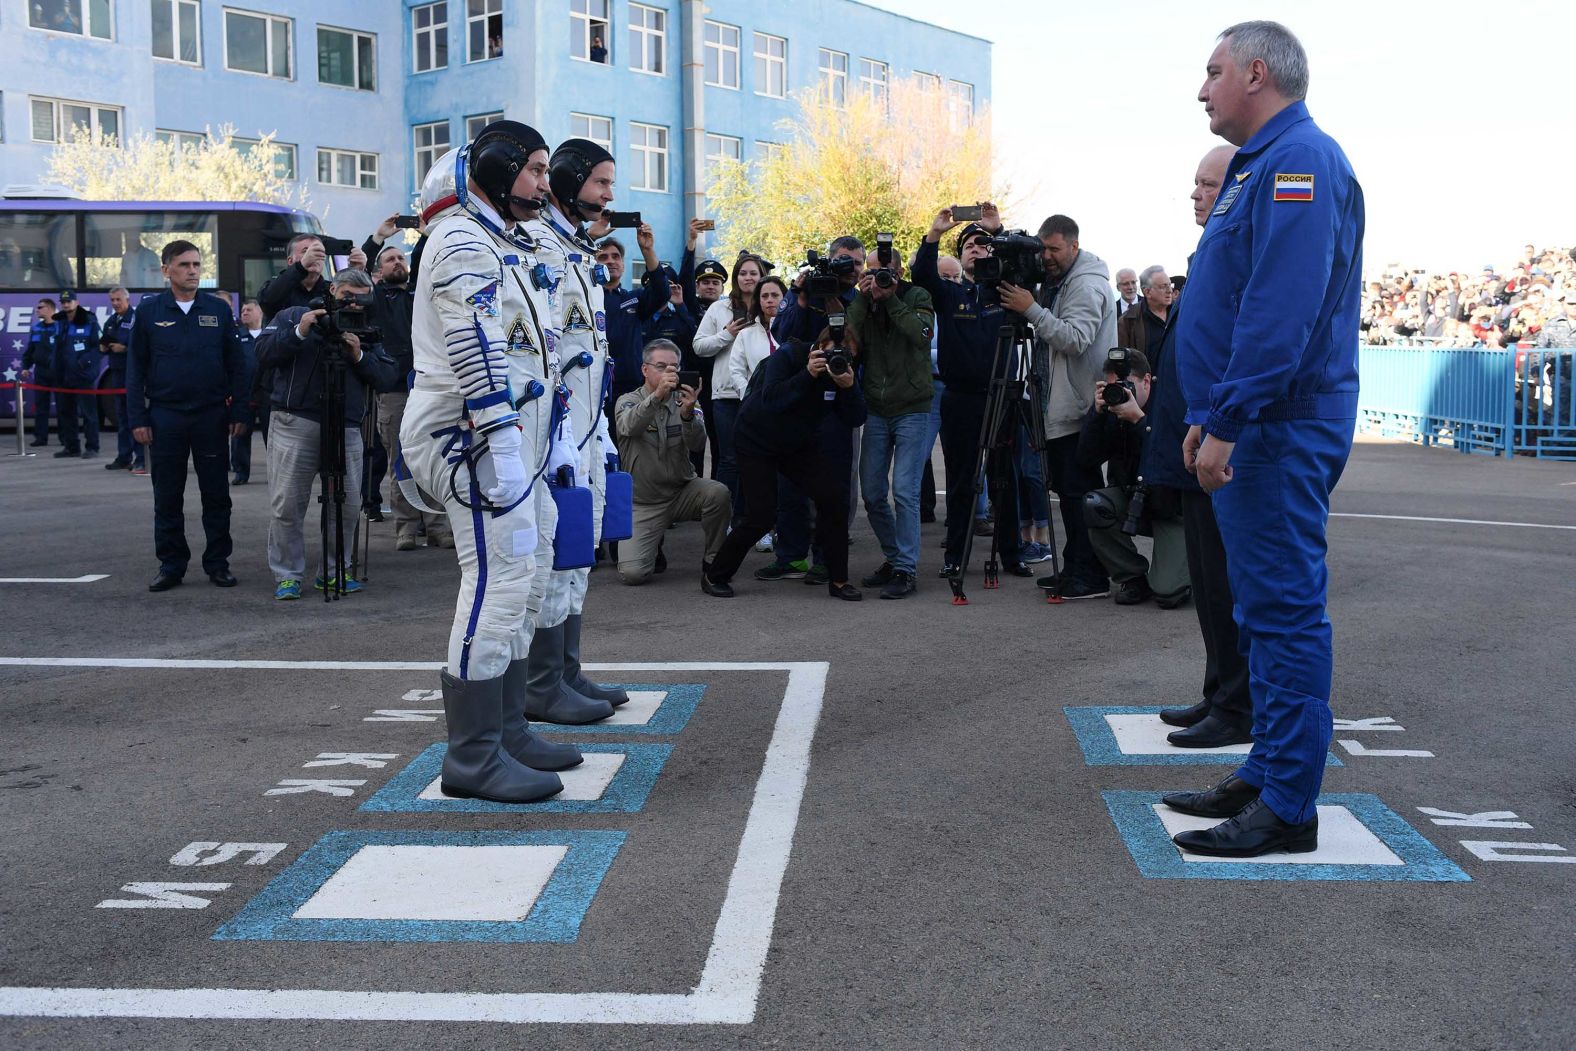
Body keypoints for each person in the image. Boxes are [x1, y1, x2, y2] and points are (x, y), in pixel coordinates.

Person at [1165, 21, 1365, 858]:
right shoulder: (1263, 164)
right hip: (1253, 424)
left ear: (1257, 72)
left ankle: (1288, 804)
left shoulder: (1299, 163)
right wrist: (1209, 414)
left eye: (1213, 72)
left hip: (1276, 429)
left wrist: (1231, 419)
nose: (1202, 88)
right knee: (1261, 608)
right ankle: (1269, 766)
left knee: (1282, 613)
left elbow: (1280, 312)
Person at [401, 124, 588, 805]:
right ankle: (473, 754)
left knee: (529, 573)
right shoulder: (459, 240)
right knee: (497, 581)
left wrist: (556, 434)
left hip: (514, 436)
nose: (545, 183)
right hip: (472, 436)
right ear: (499, 167)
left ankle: (507, 728)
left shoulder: (498, 241)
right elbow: (474, 345)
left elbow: (538, 351)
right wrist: (503, 441)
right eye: (535, 169)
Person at [1145, 142, 1254, 751]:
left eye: (1208, 185)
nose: (1197, 194)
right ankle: (1220, 692)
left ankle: (1237, 706)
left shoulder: (1235, 253)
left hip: (1216, 443)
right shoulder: (1207, 253)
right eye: (1196, 184)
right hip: (1189, 443)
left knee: (1226, 582)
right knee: (1209, 584)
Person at [522, 136, 630, 721]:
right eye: (600, 182)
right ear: (568, 182)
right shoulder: (539, 244)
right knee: (551, 554)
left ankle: (566, 670)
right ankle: (542, 683)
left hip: (585, 427)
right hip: (553, 431)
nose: (609, 194)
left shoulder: (577, 249)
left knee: (581, 547)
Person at [255, 268, 401, 600]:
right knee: (287, 503)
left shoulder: (365, 327)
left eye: (361, 299)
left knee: (348, 504)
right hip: (295, 420)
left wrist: (359, 355)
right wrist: (300, 331)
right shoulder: (294, 314)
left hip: (347, 425)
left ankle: (336, 571)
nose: (353, 304)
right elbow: (262, 353)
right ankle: (288, 575)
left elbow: (387, 376)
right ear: (333, 289)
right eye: (347, 295)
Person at [997, 214, 1118, 600]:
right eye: (1043, 248)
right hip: (1060, 403)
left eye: (1054, 249)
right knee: (1067, 493)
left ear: (1074, 246)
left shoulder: (1085, 284)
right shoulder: (1060, 279)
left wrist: (1031, 308)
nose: (1046, 257)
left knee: (1079, 492)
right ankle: (1074, 569)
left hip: (1079, 406)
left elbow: (1076, 338)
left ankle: (1091, 576)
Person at [911, 207, 1033, 580]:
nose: (978, 249)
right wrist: (934, 233)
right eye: (970, 245)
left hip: (1002, 397)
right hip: (961, 398)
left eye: (985, 244)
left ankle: (1012, 555)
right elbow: (921, 275)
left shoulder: (1008, 291)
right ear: (961, 256)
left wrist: (999, 230)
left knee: (1004, 479)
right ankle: (955, 554)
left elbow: (1028, 265)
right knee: (963, 479)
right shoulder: (950, 294)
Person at [124, 241, 252, 592]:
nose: (192, 270)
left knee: (216, 495)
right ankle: (171, 565)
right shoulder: (150, 312)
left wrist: (239, 409)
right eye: (183, 265)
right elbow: (134, 370)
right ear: (166, 270)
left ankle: (217, 563)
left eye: (196, 264)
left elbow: (237, 366)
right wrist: (138, 418)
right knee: (167, 496)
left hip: (211, 416)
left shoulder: (218, 310)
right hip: (165, 417)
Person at [701, 330, 868, 599]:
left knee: (835, 498)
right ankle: (714, 574)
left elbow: (856, 417)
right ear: (819, 344)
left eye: (846, 354)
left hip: (797, 443)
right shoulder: (789, 355)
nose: (836, 358)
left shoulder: (842, 372)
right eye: (831, 351)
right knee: (761, 516)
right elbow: (773, 399)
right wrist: (808, 374)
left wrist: (849, 388)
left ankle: (838, 580)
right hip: (756, 439)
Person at [847, 248, 935, 599]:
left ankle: (906, 569)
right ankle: (895, 557)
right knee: (871, 492)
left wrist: (892, 299)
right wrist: (862, 298)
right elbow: (849, 341)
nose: (881, 277)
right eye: (874, 272)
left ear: (900, 272)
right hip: (876, 408)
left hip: (913, 407)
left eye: (887, 272)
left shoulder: (918, 295)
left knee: (905, 492)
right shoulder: (864, 301)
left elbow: (921, 334)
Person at [1076, 349, 1188, 607]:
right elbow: (1085, 459)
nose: (1120, 393)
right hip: (1133, 502)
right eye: (1113, 387)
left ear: (1147, 381)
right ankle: (1132, 577)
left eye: (1128, 386)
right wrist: (1096, 413)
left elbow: (1176, 460)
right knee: (1096, 503)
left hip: (1172, 508)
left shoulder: (1172, 405)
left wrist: (1139, 420)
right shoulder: (1113, 412)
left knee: (1169, 594)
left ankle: (1187, 569)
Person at [613, 339, 731, 584]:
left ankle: (713, 559)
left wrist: (688, 415)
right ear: (645, 369)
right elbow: (629, 426)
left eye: (674, 367)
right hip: (644, 502)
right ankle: (653, 544)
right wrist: (657, 396)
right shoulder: (628, 400)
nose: (669, 372)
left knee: (718, 493)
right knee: (633, 575)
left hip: (681, 492)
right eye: (661, 366)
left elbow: (698, 445)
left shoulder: (685, 400)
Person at [368, 241, 452, 551]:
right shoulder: (377, 299)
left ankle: (437, 527)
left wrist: (426, 232)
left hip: (428, 386)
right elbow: (358, 280)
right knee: (399, 461)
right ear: (379, 270)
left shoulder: (419, 295)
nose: (396, 263)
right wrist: (376, 239)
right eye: (389, 260)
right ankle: (405, 527)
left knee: (433, 458)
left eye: (400, 257)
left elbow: (424, 258)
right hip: (394, 391)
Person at [694, 253, 765, 513]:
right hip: (725, 395)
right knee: (730, 460)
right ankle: (725, 518)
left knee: (759, 459)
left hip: (760, 394)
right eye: (743, 273)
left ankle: (757, 519)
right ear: (736, 278)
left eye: (753, 273)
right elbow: (699, 346)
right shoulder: (719, 308)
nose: (748, 278)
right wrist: (727, 334)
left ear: (761, 277)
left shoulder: (768, 306)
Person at [592, 228, 670, 424]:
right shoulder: (585, 300)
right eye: (603, 257)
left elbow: (662, 292)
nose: (610, 261)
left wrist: (647, 250)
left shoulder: (633, 299)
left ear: (623, 265)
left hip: (629, 386)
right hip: (592, 385)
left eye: (616, 257)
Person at [51, 289, 102, 459]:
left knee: (88, 413)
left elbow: (98, 347)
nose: (66, 304)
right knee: (66, 412)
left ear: (76, 302)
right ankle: (71, 447)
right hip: (63, 375)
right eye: (63, 302)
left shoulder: (89, 320)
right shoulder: (60, 322)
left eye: (69, 301)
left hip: (82, 375)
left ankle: (92, 447)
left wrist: (83, 363)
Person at [101, 287, 141, 471]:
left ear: (127, 300)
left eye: (118, 299)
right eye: (112, 300)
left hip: (131, 375)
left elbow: (140, 344)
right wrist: (103, 347)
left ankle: (141, 457)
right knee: (122, 419)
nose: (115, 303)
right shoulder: (112, 320)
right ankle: (124, 456)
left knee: (136, 418)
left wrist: (124, 348)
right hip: (116, 374)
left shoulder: (135, 319)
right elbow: (105, 340)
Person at [229, 299, 265, 484]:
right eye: (242, 310)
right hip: (244, 394)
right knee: (241, 434)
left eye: (249, 310)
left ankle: (277, 474)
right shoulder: (237, 335)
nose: (244, 313)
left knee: (272, 437)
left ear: (260, 312)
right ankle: (241, 472)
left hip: (267, 394)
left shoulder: (269, 333)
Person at [21, 298, 60, 449]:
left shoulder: (60, 327)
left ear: (50, 309)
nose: (37, 310)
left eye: (40, 307)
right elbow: (30, 350)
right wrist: (26, 366)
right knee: (41, 406)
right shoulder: (36, 328)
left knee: (63, 405)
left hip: (57, 371)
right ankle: (40, 437)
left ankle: (65, 438)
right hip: (41, 372)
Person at [1116, 265, 1172, 368]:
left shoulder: (1179, 314)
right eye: (1163, 286)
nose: (1169, 290)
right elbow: (1122, 360)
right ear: (1147, 292)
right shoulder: (1125, 320)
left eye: (1169, 285)